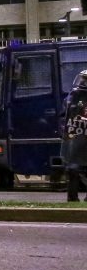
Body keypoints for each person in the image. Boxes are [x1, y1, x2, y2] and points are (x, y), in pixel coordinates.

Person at [60, 70, 87, 202]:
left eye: (85, 80)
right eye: (82, 79)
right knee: (73, 169)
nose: (82, 82)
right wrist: (64, 132)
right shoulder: (71, 97)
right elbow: (62, 117)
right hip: (75, 140)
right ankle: (72, 198)